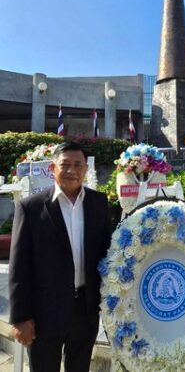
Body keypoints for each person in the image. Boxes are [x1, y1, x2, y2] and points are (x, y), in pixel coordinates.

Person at [9, 141, 111, 372]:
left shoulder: (98, 203)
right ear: (52, 168)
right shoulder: (31, 208)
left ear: (86, 170)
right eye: (65, 165)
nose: (72, 171)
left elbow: (107, 254)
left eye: (78, 165)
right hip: (44, 313)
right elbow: (19, 266)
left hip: (85, 311)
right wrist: (20, 317)